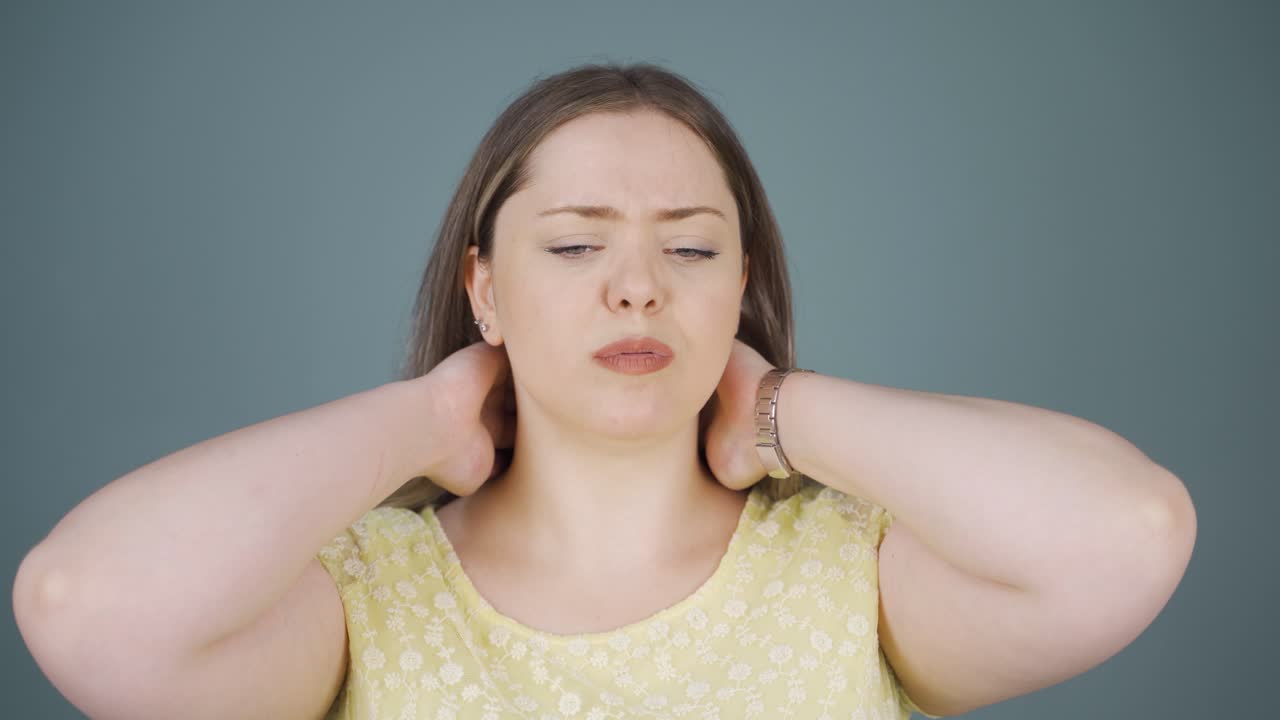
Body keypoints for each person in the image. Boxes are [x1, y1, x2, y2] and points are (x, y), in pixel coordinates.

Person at [14, 62, 1195, 720]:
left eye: (689, 249)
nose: (637, 287)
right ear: (483, 287)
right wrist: (428, 419)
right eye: (576, 245)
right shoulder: (362, 596)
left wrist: (777, 411)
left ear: (739, 285)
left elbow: (1129, 533)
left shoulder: (852, 571)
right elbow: (81, 608)